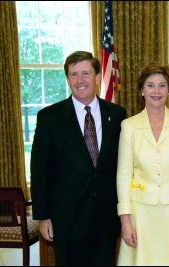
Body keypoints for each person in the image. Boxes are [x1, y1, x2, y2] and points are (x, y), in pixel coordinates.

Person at [30, 50, 126, 266]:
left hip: (105, 216)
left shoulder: (118, 114)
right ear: (67, 79)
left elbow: (123, 165)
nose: (80, 80)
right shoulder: (49, 118)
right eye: (74, 74)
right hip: (66, 217)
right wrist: (43, 216)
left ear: (98, 77)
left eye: (85, 73)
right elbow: (39, 170)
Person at [116, 61, 169, 266]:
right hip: (140, 213)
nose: (157, 91)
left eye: (162, 85)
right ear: (142, 90)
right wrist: (125, 220)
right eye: (150, 85)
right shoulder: (128, 127)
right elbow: (123, 176)